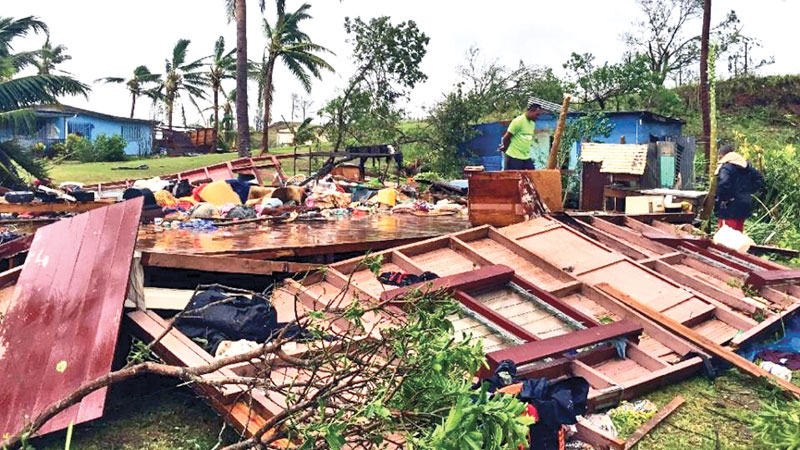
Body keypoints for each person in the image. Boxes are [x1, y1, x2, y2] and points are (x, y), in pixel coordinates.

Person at [715, 144, 763, 232]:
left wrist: (725, 199)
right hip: (744, 205)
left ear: (723, 155)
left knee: (725, 237)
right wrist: (748, 191)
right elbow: (759, 178)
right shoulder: (747, 167)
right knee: (738, 235)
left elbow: (723, 184)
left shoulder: (726, 168)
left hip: (729, 208)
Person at [498, 99, 542, 170]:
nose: (538, 117)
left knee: (531, 177)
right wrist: (504, 148)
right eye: (537, 114)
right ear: (531, 111)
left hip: (526, 157)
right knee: (513, 179)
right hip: (514, 157)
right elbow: (506, 137)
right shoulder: (518, 121)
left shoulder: (532, 124)